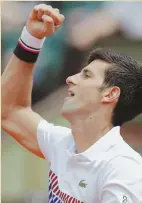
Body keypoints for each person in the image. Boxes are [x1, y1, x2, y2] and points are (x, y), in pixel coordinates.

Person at [2, 4, 142, 203]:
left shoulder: (122, 171)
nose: (71, 79)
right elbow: (9, 110)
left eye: (86, 75)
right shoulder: (63, 143)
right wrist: (31, 38)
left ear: (110, 94)